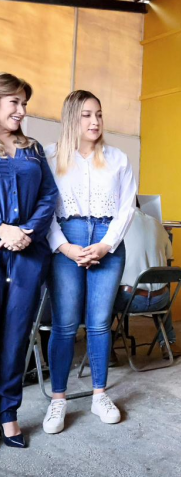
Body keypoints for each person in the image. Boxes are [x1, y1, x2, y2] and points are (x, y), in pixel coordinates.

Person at [42, 90, 137, 435]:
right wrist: (65, 247)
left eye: (98, 114)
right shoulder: (50, 157)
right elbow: (44, 209)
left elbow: (126, 208)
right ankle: (58, 399)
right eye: (86, 115)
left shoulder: (117, 158)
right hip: (66, 239)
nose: (95, 121)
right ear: (71, 118)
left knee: (98, 324)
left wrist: (106, 245)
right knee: (65, 325)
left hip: (107, 241)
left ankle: (99, 396)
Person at [0, 73, 58, 447]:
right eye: (15, 102)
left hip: (28, 253)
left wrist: (25, 231)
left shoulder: (33, 148)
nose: (22, 110)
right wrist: (2, 229)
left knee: (17, 335)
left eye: (24, 104)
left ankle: (8, 414)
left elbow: (49, 195)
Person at [111, 206, 181, 364]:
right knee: (162, 291)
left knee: (102, 299)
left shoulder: (116, 224)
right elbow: (169, 256)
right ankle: (168, 343)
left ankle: (106, 350)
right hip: (160, 301)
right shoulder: (156, 223)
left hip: (131, 300)